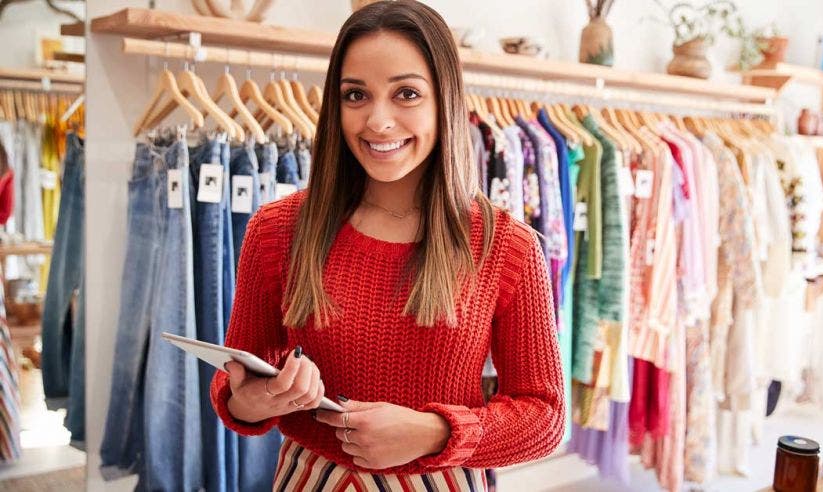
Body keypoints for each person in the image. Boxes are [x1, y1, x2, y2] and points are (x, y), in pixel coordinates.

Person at [209, 1, 565, 489]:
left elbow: (544, 417)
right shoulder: (277, 229)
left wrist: (433, 431)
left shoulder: (507, 246)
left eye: (406, 94)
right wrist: (255, 400)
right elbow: (236, 383)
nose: (378, 121)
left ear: (446, 101)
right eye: (356, 94)